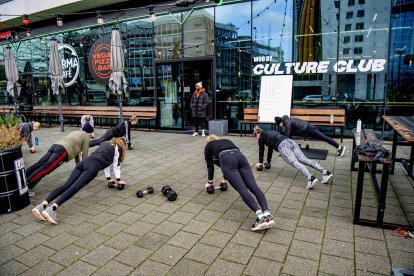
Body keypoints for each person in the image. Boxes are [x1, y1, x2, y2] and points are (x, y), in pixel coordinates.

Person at [31, 137, 127, 224]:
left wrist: (109, 179)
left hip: (84, 162)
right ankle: (52, 209)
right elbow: (115, 166)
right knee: (75, 188)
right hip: (93, 167)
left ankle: (41, 206)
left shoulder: (105, 144)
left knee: (66, 185)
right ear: (122, 145)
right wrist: (118, 180)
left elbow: (106, 165)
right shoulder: (117, 149)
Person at [204, 134, 274, 231]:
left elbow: (210, 165)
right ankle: (267, 215)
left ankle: (261, 218)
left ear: (208, 141)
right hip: (241, 157)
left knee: (242, 189)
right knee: (253, 186)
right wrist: (225, 179)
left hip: (227, 160)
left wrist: (210, 182)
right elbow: (231, 160)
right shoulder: (226, 141)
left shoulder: (209, 145)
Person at [25, 123, 95, 197]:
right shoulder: (86, 137)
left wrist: (78, 165)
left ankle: (24, 176)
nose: (91, 135)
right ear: (89, 132)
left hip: (55, 145)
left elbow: (76, 150)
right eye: (91, 134)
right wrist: (84, 169)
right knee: (46, 169)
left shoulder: (76, 132)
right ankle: (27, 186)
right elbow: (85, 153)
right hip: (62, 151)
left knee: (40, 163)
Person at [253, 126, 333, 190]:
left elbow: (261, 150)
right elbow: (270, 148)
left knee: (295, 162)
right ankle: (325, 172)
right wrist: (268, 161)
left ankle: (310, 178)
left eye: (255, 137)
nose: (256, 139)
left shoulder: (261, 137)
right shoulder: (269, 133)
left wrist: (260, 162)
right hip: (290, 141)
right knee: (304, 159)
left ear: (257, 133)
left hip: (283, 146)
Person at [275, 115, 346, 157]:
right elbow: (289, 135)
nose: (280, 126)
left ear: (280, 122)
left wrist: (284, 146)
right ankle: (339, 147)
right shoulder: (287, 120)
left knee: (324, 137)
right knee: (323, 137)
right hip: (307, 129)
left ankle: (340, 147)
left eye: (279, 125)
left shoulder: (287, 123)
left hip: (308, 128)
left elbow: (287, 135)